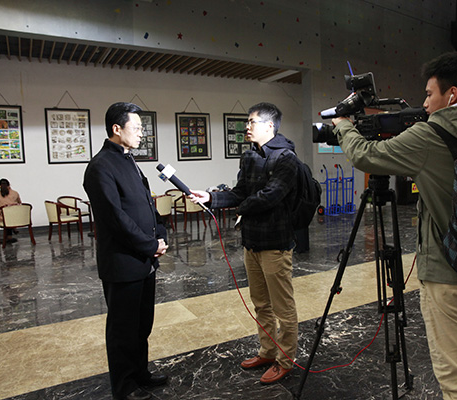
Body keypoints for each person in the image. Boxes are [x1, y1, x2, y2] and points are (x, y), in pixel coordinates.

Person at [332, 52, 457, 399]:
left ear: (452, 94)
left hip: (448, 275)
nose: (425, 103)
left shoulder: (429, 136)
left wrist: (343, 126)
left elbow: (366, 156)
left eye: (429, 94)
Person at [190, 102, 299, 384]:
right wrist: (211, 198)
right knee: (261, 303)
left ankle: (285, 359)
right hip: (252, 241)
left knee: (282, 308)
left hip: (275, 243)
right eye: (247, 122)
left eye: (252, 122)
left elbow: (271, 196)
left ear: (269, 126)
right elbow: (240, 192)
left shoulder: (287, 158)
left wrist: (241, 208)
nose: (246, 127)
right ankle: (268, 351)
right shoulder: (249, 156)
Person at [83, 102, 169, 400]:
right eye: (137, 128)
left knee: (142, 325)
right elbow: (115, 218)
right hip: (122, 263)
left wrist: (160, 233)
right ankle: (124, 387)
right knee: (122, 330)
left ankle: (140, 373)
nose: (142, 133)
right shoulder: (100, 166)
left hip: (144, 259)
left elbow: (146, 203)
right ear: (116, 128)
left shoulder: (129, 160)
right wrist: (149, 244)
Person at [0, 178, 22, 243]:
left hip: (4, 217)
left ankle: (8, 237)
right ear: (9, 185)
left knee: (4, 217)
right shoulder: (15, 193)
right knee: (10, 216)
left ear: (0, 186)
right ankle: (12, 232)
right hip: (16, 216)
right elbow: (19, 203)